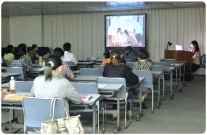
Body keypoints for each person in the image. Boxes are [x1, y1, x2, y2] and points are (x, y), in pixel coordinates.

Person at [30, 55, 82, 133]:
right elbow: (78, 100)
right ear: (59, 68)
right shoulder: (64, 82)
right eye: (61, 67)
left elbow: (31, 97)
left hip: (40, 124)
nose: (61, 68)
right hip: (59, 126)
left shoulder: (36, 80)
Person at [103, 49, 139, 120]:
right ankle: (129, 113)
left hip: (108, 95)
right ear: (121, 57)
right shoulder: (125, 68)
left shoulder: (106, 67)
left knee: (113, 88)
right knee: (128, 90)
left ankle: (114, 114)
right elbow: (135, 80)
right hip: (121, 96)